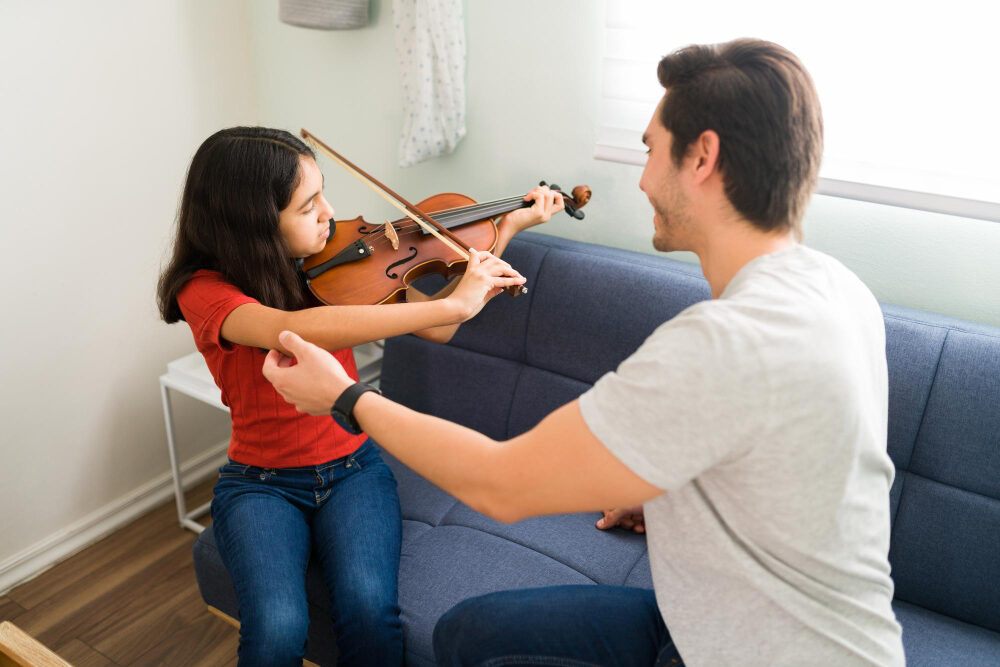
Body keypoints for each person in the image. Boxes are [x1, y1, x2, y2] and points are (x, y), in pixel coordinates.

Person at [262, 39, 906, 667]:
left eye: (651, 148)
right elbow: (801, 471)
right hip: (710, 611)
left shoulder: (726, 341)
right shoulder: (838, 289)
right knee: (467, 634)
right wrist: (673, 497)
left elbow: (501, 483)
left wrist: (346, 397)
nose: (644, 175)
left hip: (757, 649)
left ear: (703, 157)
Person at [156, 126, 562, 667]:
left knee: (370, 615)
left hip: (353, 471)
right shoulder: (204, 292)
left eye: (324, 193)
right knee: (276, 629)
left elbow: (438, 327)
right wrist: (454, 305)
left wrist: (504, 227)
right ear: (254, 220)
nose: (329, 213)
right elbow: (291, 328)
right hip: (261, 485)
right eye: (309, 205)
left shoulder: (345, 261)